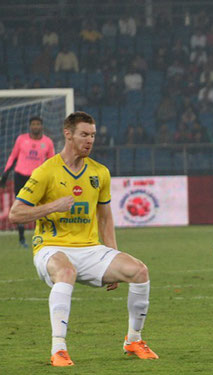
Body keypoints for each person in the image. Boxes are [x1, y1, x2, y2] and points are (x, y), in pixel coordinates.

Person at [8, 112, 158, 366]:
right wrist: (52, 206)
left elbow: (105, 218)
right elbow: (15, 214)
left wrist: (113, 254)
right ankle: (58, 349)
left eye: (93, 135)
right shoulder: (46, 172)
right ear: (68, 134)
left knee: (139, 271)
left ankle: (134, 339)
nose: (90, 140)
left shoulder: (100, 173)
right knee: (66, 271)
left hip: (90, 249)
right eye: (84, 134)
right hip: (50, 247)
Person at [1, 116, 55, 247]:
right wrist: (5, 174)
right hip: (20, 176)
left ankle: (41, 235)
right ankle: (21, 239)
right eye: (33, 124)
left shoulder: (48, 142)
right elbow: (13, 156)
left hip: (36, 178)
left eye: (38, 124)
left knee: (40, 206)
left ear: (41, 126)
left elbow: (52, 162)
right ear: (30, 126)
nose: (35, 126)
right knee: (20, 206)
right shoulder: (21, 139)